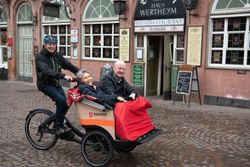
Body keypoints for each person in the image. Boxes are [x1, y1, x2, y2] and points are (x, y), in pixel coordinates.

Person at [99, 60, 155, 141]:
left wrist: (132, 93)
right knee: (126, 109)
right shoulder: (106, 79)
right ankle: (128, 134)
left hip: (121, 100)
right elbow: (111, 94)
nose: (121, 71)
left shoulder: (122, 79)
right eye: (119, 68)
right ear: (114, 68)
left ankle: (143, 129)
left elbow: (130, 88)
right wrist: (124, 98)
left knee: (139, 102)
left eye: (123, 69)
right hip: (110, 102)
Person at [35, 35, 79, 136]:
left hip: (55, 83)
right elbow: (47, 71)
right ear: (44, 45)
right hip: (45, 84)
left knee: (65, 103)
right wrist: (63, 76)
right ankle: (58, 127)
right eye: (49, 44)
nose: (52, 46)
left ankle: (55, 122)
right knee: (61, 100)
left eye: (54, 44)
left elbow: (68, 65)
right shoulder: (40, 57)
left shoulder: (57, 55)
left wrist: (80, 72)